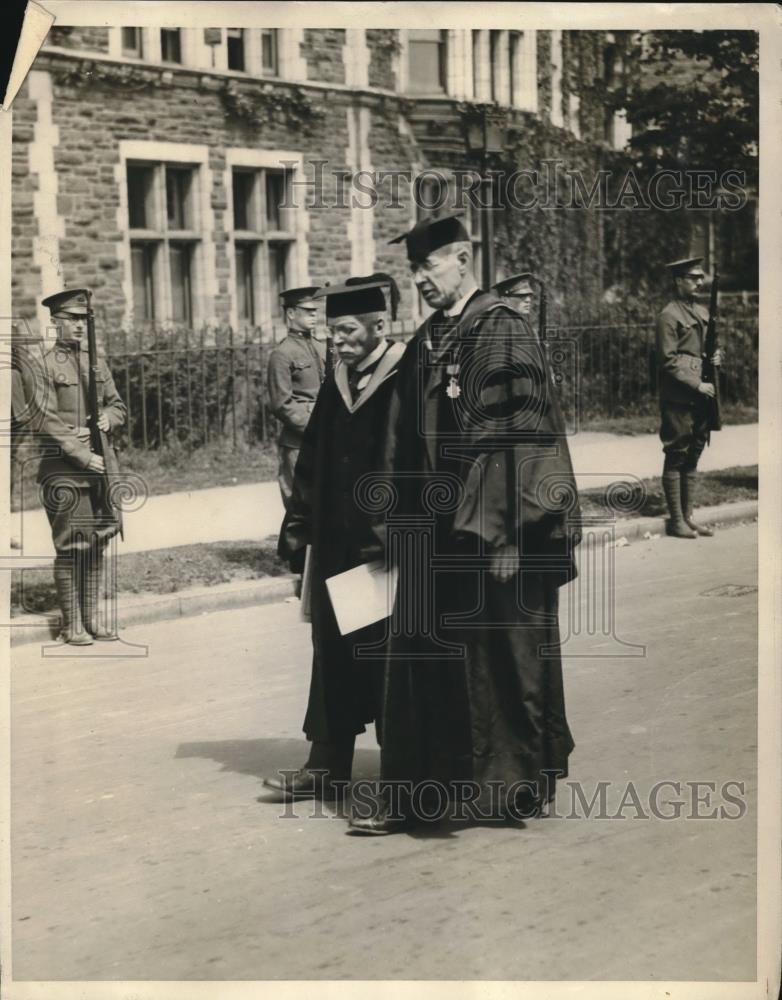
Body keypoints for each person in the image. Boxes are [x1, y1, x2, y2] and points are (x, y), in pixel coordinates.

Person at [347, 217, 581, 835]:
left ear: (462, 258)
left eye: (429, 266)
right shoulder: (428, 338)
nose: (420, 279)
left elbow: (522, 435)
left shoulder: (502, 328)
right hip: (434, 525)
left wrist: (503, 532)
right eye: (414, 270)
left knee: (503, 657)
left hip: (495, 525)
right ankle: (418, 793)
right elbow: (399, 439)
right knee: (422, 653)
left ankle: (512, 784)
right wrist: (391, 524)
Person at [264, 274, 406, 801]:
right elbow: (313, 463)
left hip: (383, 543)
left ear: (378, 325)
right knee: (332, 649)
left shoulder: (405, 378)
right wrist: (300, 527)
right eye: (331, 331)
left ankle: (400, 771)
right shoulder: (337, 382)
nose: (337, 341)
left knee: (386, 655)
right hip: (336, 541)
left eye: (347, 330)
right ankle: (327, 763)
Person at [37, 288, 126, 644]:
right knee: (72, 545)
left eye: (83, 319)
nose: (78, 326)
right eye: (71, 319)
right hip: (66, 472)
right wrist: (81, 453)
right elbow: (46, 421)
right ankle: (70, 622)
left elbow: (118, 405)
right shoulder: (43, 365)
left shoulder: (97, 363)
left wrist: (108, 417)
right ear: (55, 321)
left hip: (101, 468)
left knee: (98, 542)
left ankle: (92, 617)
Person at [656, 257, 723, 539]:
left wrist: (718, 355)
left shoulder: (702, 311)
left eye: (700, 277)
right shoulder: (669, 316)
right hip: (680, 396)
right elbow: (668, 360)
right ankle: (676, 520)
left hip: (701, 395)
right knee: (677, 452)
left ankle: (689, 516)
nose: (699, 282)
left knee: (694, 452)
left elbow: (708, 348)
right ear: (678, 281)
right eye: (692, 277)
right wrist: (697, 384)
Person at [266, 286, 326, 510]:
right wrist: (315, 426)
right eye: (307, 310)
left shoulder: (322, 348)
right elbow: (281, 404)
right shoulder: (282, 354)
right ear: (291, 313)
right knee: (299, 508)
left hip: (326, 439)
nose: (314, 315)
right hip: (298, 443)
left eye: (315, 311)